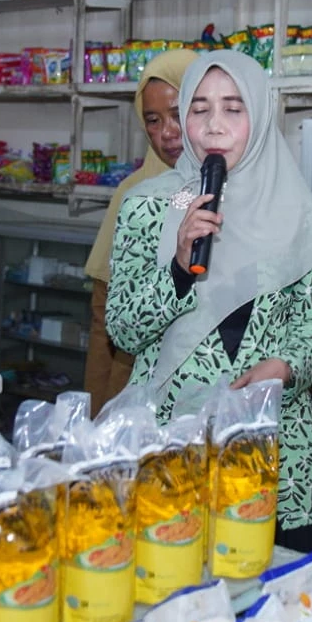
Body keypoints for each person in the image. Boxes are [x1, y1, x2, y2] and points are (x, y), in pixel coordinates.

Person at [106, 50, 312, 549]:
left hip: (275, 452)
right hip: (173, 450)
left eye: (234, 109)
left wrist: (286, 368)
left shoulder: (297, 210)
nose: (214, 126)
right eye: (199, 108)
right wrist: (178, 263)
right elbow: (122, 328)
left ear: (259, 117)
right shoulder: (153, 205)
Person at [82, 50, 191, 414]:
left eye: (178, 114)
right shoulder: (133, 196)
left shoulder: (244, 192)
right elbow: (105, 326)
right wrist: (99, 413)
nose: (167, 133)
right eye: (153, 121)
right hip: (136, 384)